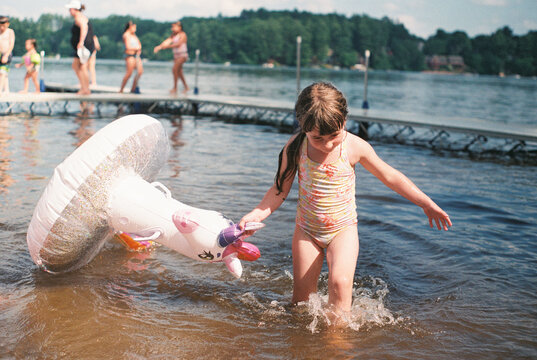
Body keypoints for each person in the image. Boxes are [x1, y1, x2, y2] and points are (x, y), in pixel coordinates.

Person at [239, 82, 452, 319]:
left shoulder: (354, 147)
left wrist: (425, 203)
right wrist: (256, 214)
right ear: (302, 125)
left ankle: (336, 345)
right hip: (307, 231)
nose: (328, 143)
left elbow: (390, 176)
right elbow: (279, 190)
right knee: (300, 302)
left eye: (334, 135)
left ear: (345, 121)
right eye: (318, 138)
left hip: (343, 230)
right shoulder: (295, 147)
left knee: (340, 284)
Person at [66, 0, 95, 95]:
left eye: (70, 9)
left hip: (84, 46)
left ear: (74, 9)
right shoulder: (80, 17)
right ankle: (85, 88)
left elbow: (84, 27)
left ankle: (85, 88)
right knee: (79, 66)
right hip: (85, 45)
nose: (69, 11)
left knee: (80, 66)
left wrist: (81, 41)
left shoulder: (79, 18)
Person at [154, 21, 189, 95]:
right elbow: (167, 41)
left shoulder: (183, 35)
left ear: (179, 27)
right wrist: (159, 47)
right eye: (172, 27)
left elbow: (178, 44)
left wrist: (167, 47)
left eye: (174, 27)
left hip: (182, 55)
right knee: (179, 72)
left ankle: (175, 88)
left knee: (174, 69)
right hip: (176, 56)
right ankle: (186, 87)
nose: (172, 29)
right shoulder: (173, 35)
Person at [119, 21, 143, 93]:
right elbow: (128, 46)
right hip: (129, 56)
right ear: (130, 27)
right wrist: (136, 48)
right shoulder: (126, 35)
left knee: (140, 72)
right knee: (129, 73)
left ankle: (133, 89)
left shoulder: (134, 35)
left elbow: (139, 45)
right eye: (134, 27)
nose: (135, 29)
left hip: (136, 56)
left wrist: (138, 49)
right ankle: (121, 90)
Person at [0, 16, 15, 94]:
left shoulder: (10, 32)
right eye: (0, 26)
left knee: (2, 72)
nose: (2, 28)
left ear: (7, 24)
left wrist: (6, 55)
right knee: (4, 73)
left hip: (7, 53)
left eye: (4, 26)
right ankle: (6, 90)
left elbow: (11, 44)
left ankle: (0, 90)